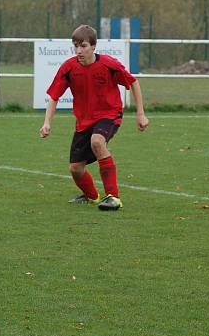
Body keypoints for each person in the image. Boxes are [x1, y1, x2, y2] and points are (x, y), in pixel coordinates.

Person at [39, 24, 148, 211]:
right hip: (84, 121)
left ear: (94, 46)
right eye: (76, 46)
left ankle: (113, 197)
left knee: (97, 142)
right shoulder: (69, 68)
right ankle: (92, 196)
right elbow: (54, 96)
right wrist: (47, 123)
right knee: (75, 169)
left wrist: (140, 114)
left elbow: (133, 82)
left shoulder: (108, 65)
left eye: (83, 46)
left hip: (109, 114)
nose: (79, 50)